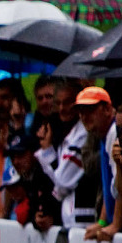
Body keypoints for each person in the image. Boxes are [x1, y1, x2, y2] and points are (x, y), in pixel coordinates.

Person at [36, 79, 95, 228]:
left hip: (84, 220)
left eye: (68, 102)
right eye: (58, 103)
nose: (62, 108)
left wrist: (47, 153)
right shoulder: (64, 135)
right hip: (68, 219)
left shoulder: (83, 135)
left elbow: (62, 182)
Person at [75, 87, 122, 241]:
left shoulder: (115, 132)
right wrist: (102, 221)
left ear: (107, 109)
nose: (84, 116)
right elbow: (110, 186)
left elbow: (120, 182)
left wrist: (115, 225)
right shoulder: (102, 136)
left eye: (90, 110)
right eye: (81, 111)